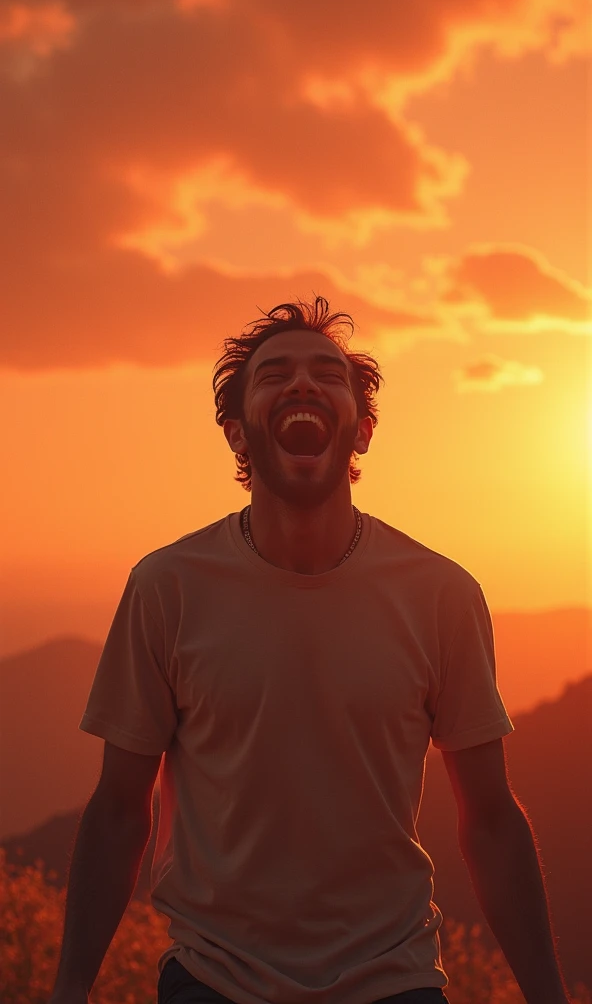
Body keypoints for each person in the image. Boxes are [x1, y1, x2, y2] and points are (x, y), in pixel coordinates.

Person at [49, 297, 571, 1004]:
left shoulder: (442, 595)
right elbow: (118, 810)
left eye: (328, 374)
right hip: (214, 979)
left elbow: (491, 819)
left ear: (362, 434)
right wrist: (70, 989)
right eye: (275, 375)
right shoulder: (166, 588)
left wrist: (548, 993)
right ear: (237, 435)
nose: (302, 384)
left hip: (394, 981)